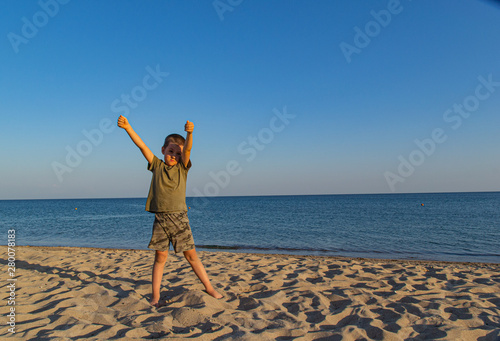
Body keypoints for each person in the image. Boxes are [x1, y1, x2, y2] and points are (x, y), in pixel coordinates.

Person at [117, 115, 223, 307]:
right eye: (170, 151)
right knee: (160, 258)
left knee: (191, 256)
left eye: (178, 153)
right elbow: (141, 146)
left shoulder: (183, 168)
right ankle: (155, 296)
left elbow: (188, 148)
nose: (174, 155)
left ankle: (209, 287)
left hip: (180, 218)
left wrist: (189, 133)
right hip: (160, 219)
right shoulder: (156, 166)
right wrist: (128, 128)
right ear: (163, 150)